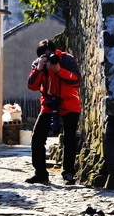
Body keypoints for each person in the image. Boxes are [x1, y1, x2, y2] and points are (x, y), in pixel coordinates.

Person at [26, 39, 81, 185]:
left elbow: (76, 80)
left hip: (69, 103)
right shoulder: (38, 65)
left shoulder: (67, 59)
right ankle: (40, 173)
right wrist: (38, 69)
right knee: (37, 138)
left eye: (51, 54)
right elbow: (32, 85)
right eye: (45, 56)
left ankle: (68, 173)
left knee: (69, 139)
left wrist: (59, 70)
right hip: (49, 105)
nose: (49, 58)